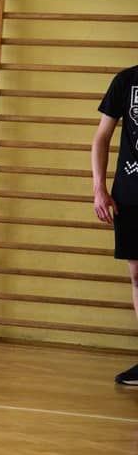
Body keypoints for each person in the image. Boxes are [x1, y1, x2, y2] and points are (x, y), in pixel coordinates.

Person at [92, 66, 138, 386]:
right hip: (130, 194)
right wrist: (99, 187)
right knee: (137, 274)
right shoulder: (126, 80)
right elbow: (102, 136)